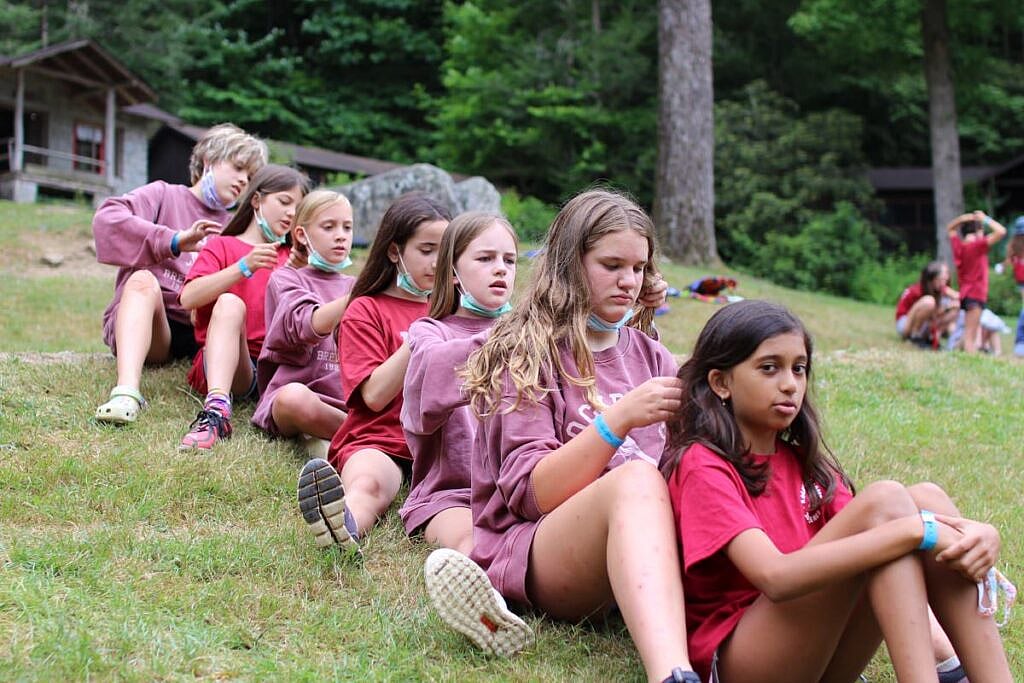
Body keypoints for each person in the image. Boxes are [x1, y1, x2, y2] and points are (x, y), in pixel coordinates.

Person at [425, 189, 698, 683]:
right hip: (539, 550)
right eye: (612, 265)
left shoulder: (653, 356)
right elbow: (533, 494)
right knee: (637, 479)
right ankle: (673, 674)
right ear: (570, 264)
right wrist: (616, 422)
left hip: (635, 550)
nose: (629, 281)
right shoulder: (527, 352)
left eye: (639, 268)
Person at [663, 299, 1012, 682]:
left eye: (799, 369)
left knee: (924, 498)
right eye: (769, 368)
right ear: (721, 382)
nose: (790, 384)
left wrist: (979, 534)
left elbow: (878, 534)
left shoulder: (803, 462)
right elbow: (774, 577)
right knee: (889, 508)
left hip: (819, 657)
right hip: (745, 662)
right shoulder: (702, 464)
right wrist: (919, 530)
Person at [297, 192, 450, 552]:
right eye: (426, 250)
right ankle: (342, 528)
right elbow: (375, 396)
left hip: (444, 446)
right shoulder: (365, 309)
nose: (437, 262)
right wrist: (420, 337)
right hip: (382, 440)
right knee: (370, 485)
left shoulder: (455, 308)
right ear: (395, 251)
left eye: (445, 251)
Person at [93, 123, 267, 424]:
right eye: (238, 167)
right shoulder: (163, 195)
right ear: (209, 160)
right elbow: (107, 220)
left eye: (250, 177)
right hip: (154, 322)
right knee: (142, 279)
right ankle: (126, 392)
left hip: (200, 337)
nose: (243, 180)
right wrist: (173, 241)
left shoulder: (236, 225)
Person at [400, 211, 519, 556]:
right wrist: (503, 337)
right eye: (485, 258)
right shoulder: (430, 332)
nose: (501, 269)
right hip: (451, 497)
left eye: (509, 260)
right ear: (452, 272)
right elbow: (428, 385)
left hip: (519, 492)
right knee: (476, 546)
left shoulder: (527, 334)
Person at [177, 164, 310, 450]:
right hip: (232, 364)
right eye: (284, 202)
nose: (291, 213)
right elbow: (188, 298)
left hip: (277, 371)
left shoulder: (296, 258)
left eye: (297, 208)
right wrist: (243, 267)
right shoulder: (223, 246)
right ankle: (216, 412)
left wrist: (299, 274)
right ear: (257, 200)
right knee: (229, 302)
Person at [251, 189, 357, 454]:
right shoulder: (286, 278)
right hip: (300, 398)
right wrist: (360, 297)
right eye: (328, 227)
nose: (341, 235)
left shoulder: (354, 285)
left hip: (347, 404)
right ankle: (364, 436)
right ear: (301, 234)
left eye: (347, 227)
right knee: (293, 399)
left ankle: (338, 441)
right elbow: (305, 326)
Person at [947, 210, 1007, 353]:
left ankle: (955, 352)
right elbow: (1001, 232)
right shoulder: (976, 246)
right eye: (982, 231)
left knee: (969, 332)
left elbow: (950, 229)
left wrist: (963, 218)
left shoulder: (960, 246)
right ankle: (966, 357)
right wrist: (985, 219)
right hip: (975, 293)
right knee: (971, 335)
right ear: (978, 231)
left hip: (967, 293)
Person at [895, 260, 959, 349]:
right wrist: (948, 306)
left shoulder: (939, 290)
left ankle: (934, 338)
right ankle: (915, 336)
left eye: (945, 278)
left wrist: (952, 304)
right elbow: (932, 312)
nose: (945, 281)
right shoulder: (917, 290)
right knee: (929, 302)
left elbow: (959, 298)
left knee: (955, 309)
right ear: (932, 278)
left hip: (923, 324)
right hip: (905, 322)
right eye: (941, 279)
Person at [1004, 216, 1024, 357]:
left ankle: (1020, 343)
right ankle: (1020, 342)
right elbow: (1008, 265)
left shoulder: (1014, 249)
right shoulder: (1014, 250)